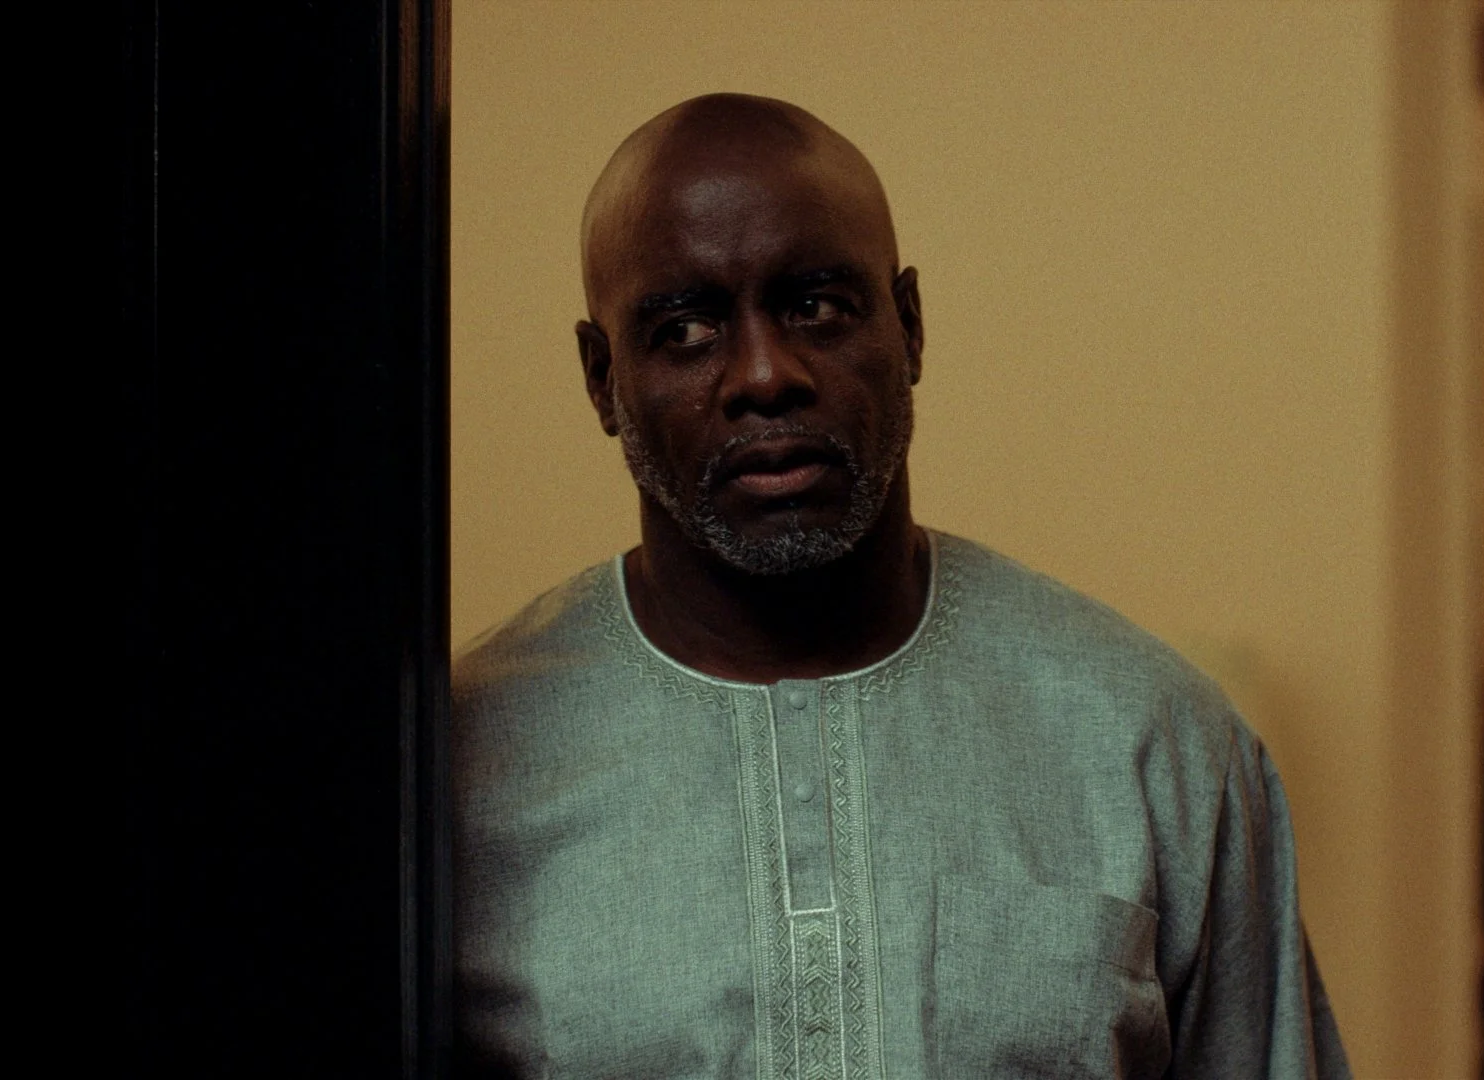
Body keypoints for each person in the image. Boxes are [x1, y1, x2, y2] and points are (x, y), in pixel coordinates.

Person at [454, 92, 1350, 1080]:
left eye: (816, 308)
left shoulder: (1152, 740)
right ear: (600, 378)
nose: (764, 374)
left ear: (910, 326)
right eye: (686, 330)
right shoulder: (459, 764)